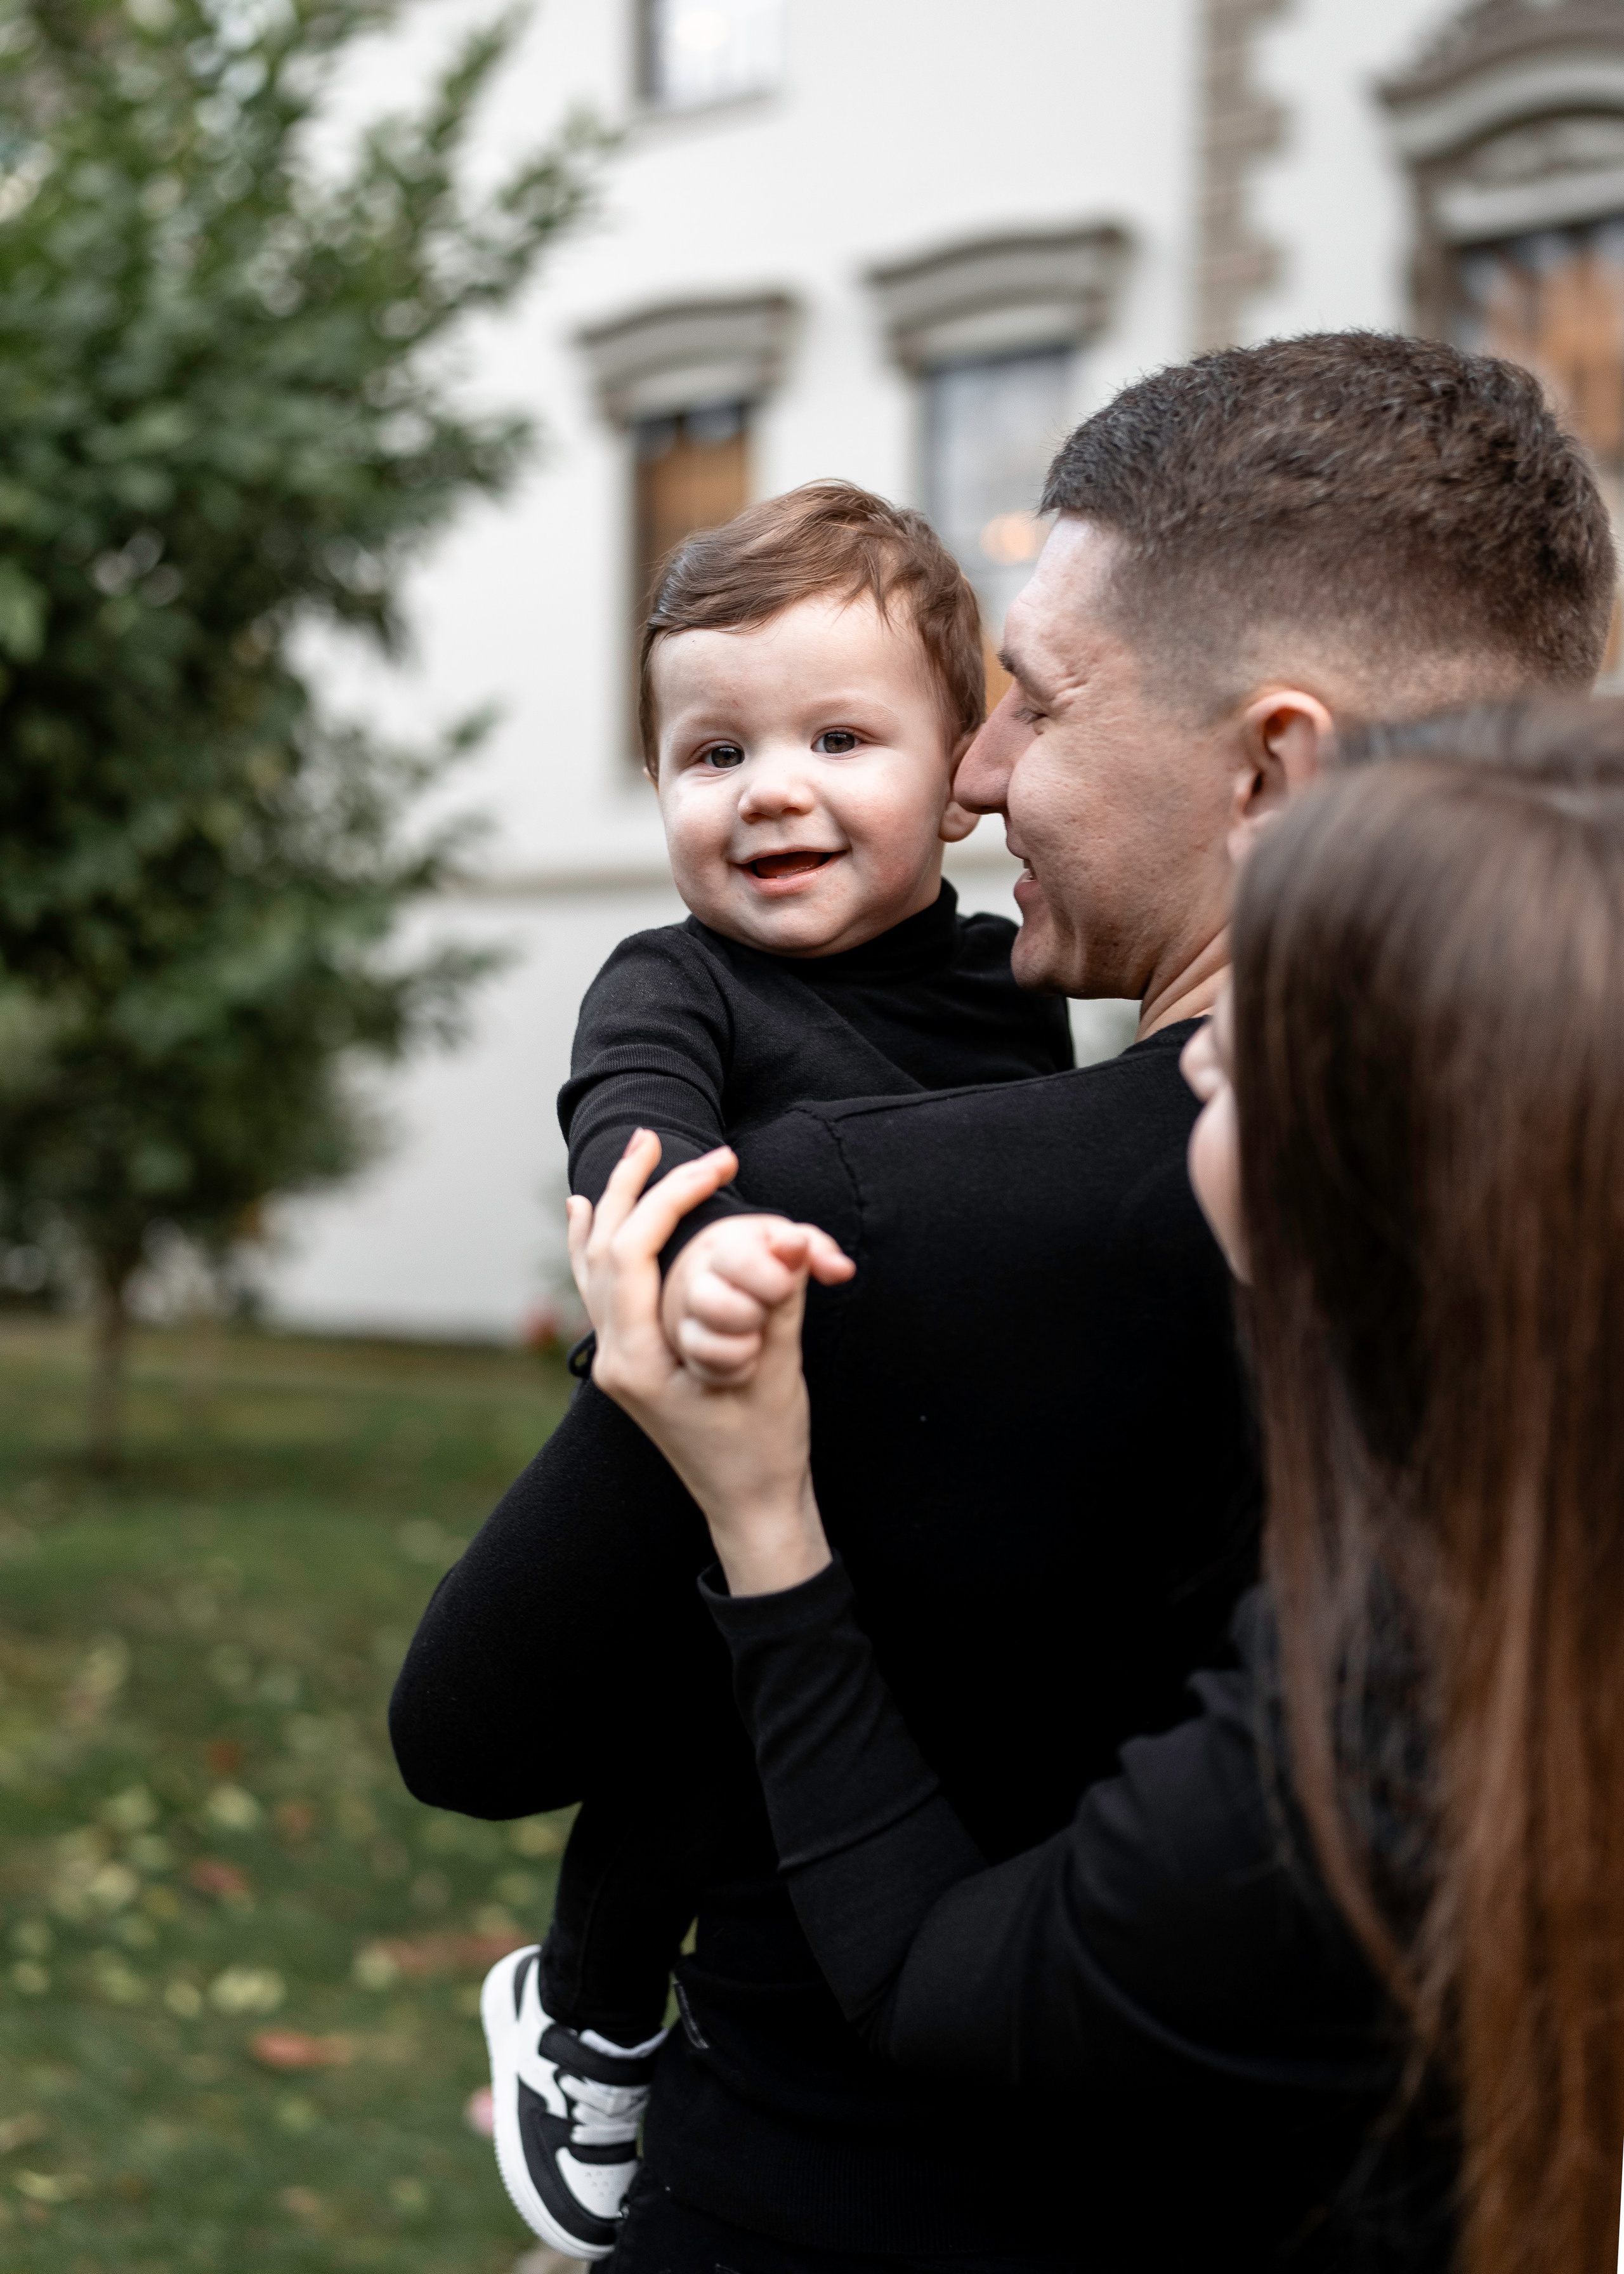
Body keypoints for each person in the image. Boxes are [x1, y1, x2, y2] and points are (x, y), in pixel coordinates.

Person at [390, 335, 1616, 2273]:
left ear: (1273, 766)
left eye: (1028, 703)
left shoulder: (831, 1232)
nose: (967, 771)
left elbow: (468, 1730)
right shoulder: (1553, 1278)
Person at [568, 714, 1624, 2274]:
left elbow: (932, 1974)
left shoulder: (1362, 1727)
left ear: (1402, 1146)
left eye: (1255, 1032)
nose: (1192, 1052)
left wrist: (764, 1524)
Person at [476, 482, 1073, 2258]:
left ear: (964, 760)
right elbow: (629, 1133)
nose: (771, 792)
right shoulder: (676, 981)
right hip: (709, 1442)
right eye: (710, 752)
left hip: (900, 1475)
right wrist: (695, 1242)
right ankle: (588, 2004)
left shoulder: (1011, 982)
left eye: (837, 736)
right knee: (691, 1724)